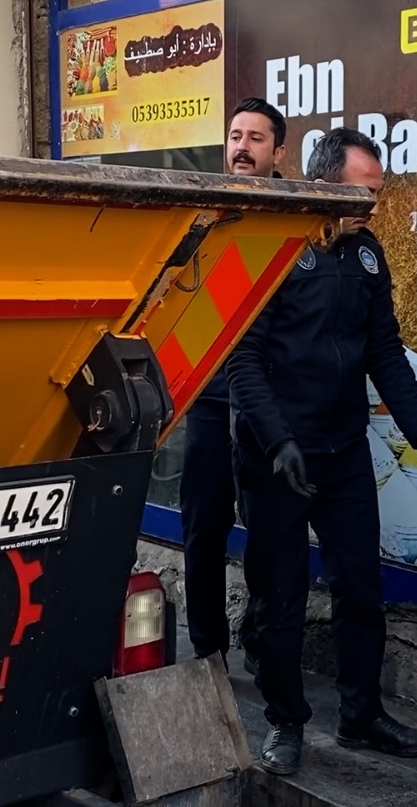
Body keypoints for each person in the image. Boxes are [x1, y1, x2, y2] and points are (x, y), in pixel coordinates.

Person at [227, 128, 417, 775]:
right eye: (361, 193)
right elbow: (242, 359)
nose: (372, 207)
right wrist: (277, 441)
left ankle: (362, 716)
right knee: (281, 597)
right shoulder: (271, 245)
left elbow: (385, 354)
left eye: (377, 194)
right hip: (277, 457)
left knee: (361, 588)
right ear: (322, 186)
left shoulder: (367, 255)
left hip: (343, 450)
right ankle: (284, 721)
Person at [179, 98, 288, 668]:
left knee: (269, 537)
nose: (242, 147)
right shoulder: (205, 214)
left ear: (278, 152)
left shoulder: (294, 219)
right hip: (210, 397)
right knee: (204, 529)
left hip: (268, 405)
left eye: (255, 138)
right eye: (235, 136)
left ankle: (262, 643)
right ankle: (208, 653)